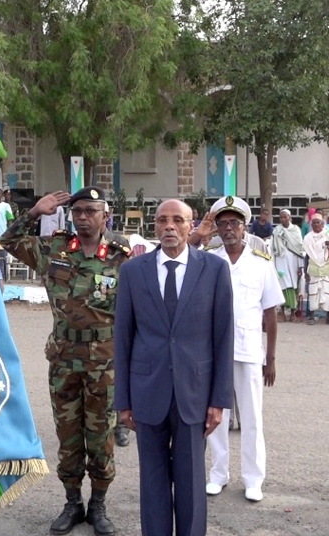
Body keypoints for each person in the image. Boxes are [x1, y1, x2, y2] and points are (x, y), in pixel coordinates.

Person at [1, 186, 130, 536]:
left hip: (104, 364)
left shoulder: (122, 256)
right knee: (68, 436)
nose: (84, 217)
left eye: (91, 211)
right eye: (78, 212)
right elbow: (8, 241)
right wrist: (33, 213)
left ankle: (98, 505)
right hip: (63, 362)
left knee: (101, 436)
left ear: (106, 214)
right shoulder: (56, 249)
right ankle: (72, 503)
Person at [113, 198, 234, 536]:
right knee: (152, 481)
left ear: (190, 225)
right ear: (154, 226)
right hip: (147, 393)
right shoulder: (133, 271)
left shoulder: (213, 269)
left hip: (194, 395)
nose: (170, 226)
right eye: (162, 220)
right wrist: (123, 400)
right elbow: (122, 338)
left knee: (192, 481)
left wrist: (219, 400)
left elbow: (223, 337)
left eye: (178, 220)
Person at [202, 196, 283, 503]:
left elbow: (271, 315)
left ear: (245, 226)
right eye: (222, 224)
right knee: (214, 415)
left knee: (251, 418)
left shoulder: (260, 263)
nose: (228, 229)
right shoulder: (210, 261)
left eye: (234, 223)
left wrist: (271, 358)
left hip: (249, 350)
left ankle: (253, 479)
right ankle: (218, 474)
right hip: (213, 350)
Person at [303, 213, 329, 325]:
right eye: (314, 223)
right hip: (313, 267)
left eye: (318, 222)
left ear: (322, 224)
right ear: (311, 224)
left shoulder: (328, 235)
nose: (316, 224)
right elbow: (307, 255)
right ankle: (311, 316)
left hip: (326, 267)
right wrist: (305, 271)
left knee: (328, 291)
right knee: (313, 291)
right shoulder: (308, 237)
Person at [272, 209, 305, 322]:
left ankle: (292, 312)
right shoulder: (276, 230)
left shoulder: (295, 230)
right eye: (281, 217)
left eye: (285, 217)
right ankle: (281, 312)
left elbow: (300, 249)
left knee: (293, 284)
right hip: (280, 260)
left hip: (293, 261)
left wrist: (301, 266)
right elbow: (272, 248)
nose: (283, 219)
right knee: (281, 285)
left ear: (290, 218)